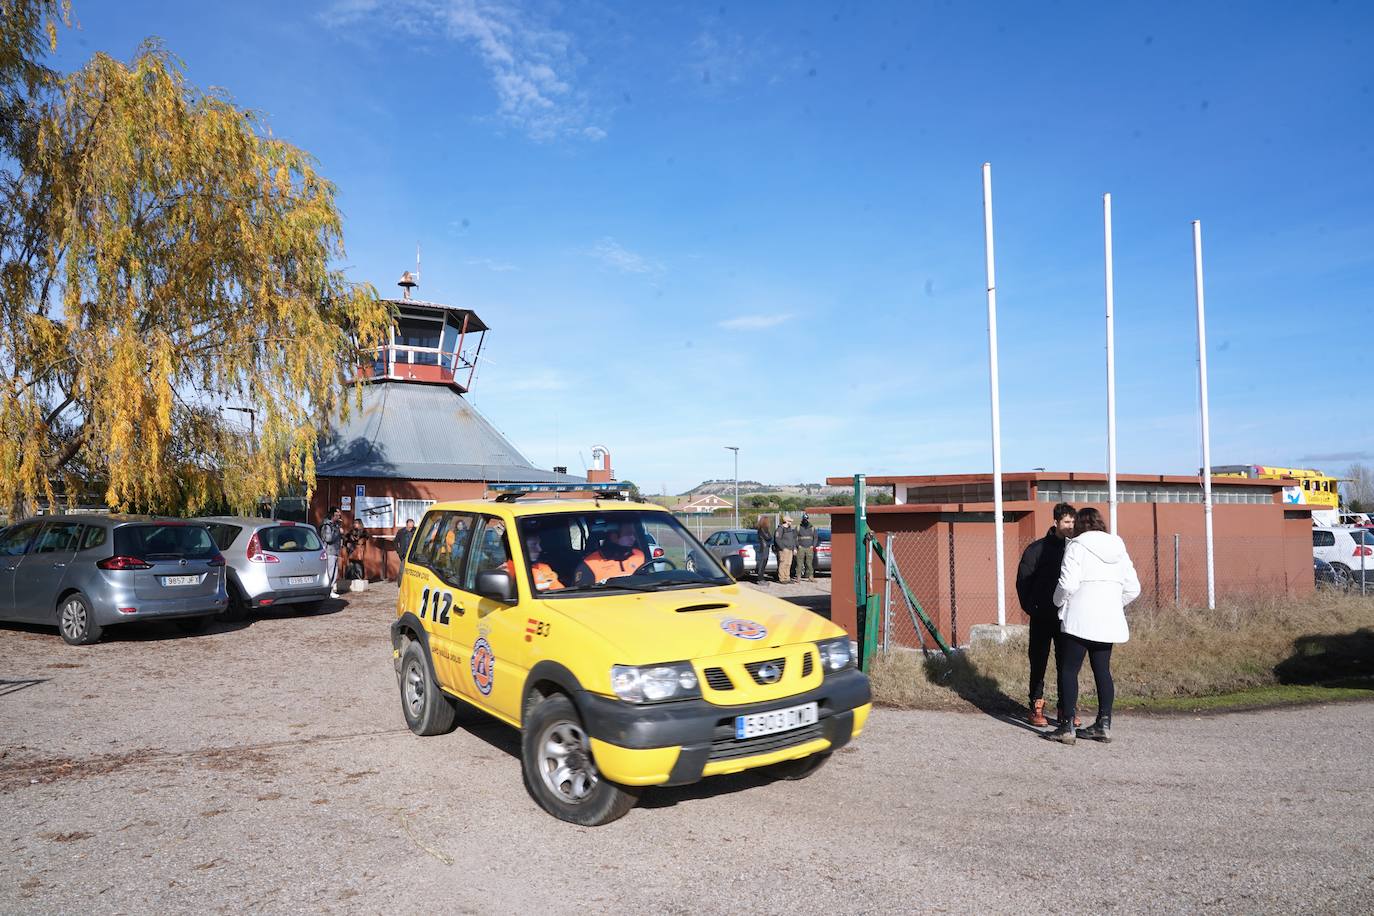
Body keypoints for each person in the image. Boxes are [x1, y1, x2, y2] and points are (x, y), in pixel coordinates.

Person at [1046, 507, 1140, 745]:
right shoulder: (1119, 547)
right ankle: (1103, 724)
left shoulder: (1076, 546)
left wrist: (1057, 603)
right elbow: (1133, 588)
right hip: (1108, 619)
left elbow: (1066, 584)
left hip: (1079, 617)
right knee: (1102, 670)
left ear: (1079, 524)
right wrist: (1111, 604)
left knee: (1069, 670)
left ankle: (1067, 727)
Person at [1015, 502, 1076, 728]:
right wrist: (1033, 608)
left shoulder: (1075, 549)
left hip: (1066, 618)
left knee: (1066, 665)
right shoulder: (1036, 549)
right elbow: (1023, 581)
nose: (1070, 526)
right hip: (1041, 617)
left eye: (1073, 522)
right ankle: (1036, 705)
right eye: (1066, 522)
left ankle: (1065, 709)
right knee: (1038, 662)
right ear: (1056, 522)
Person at [574, 521, 645, 586]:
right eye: (628, 534)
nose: (633, 538)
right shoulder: (589, 564)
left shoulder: (640, 556)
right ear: (614, 537)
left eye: (634, 534)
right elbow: (583, 595)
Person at [320, 506, 344, 598]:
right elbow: (328, 538)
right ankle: (327, 591)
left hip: (335, 551)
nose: (339, 516)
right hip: (329, 551)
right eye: (337, 514)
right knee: (330, 572)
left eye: (339, 515)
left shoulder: (335, 524)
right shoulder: (327, 525)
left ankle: (331, 590)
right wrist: (338, 531)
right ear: (333, 514)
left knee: (334, 571)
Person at [774, 515, 799, 584]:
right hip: (784, 550)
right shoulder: (780, 529)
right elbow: (777, 539)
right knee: (783, 564)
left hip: (790, 549)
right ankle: (782, 578)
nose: (791, 522)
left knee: (788, 564)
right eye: (789, 521)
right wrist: (782, 548)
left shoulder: (790, 529)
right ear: (786, 521)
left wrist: (794, 548)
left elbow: (793, 539)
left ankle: (787, 578)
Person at [344, 518, 369, 583]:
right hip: (351, 551)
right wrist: (347, 542)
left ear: (360, 524)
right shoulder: (351, 532)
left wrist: (356, 540)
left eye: (356, 523)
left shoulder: (363, 532)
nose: (355, 524)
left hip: (358, 551)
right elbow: (346, 539)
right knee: (350, 566)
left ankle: (359, 578)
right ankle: (349, 579)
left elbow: (364, 539)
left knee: (358, 565)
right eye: (354, 523)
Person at [796, 515, 819, 581]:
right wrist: (798, 545)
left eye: (806, 519)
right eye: (804, 519)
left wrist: (813, 545)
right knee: (799, 563)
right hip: (801, 548)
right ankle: (798, 576)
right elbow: (794, 538)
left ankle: (810, 576)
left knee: (809, 563)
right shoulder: (798, 527)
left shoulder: (812, 528)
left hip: (810, 548)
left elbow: (815, 537)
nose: (805, 520)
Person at [393, 518, 416, 583]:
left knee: (412, 570)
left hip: (413, 555)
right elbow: (395, 542)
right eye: (409, 527)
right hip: (403, 554)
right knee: (402, 570)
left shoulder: (415, 531)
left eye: (412, 527)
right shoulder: (401, 532)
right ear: (406, 525)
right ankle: (401, 584)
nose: (410, 529)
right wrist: (398, 551)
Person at [754, 515, 774, 584]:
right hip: (764, 547)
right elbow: (768, 538)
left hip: (765, 547)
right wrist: (769, 536)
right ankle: (760, 579)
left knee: (764, 563)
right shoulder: (762, 529)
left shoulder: (764, 529)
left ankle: (761, 579)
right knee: (762, 563)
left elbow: (769, 537)